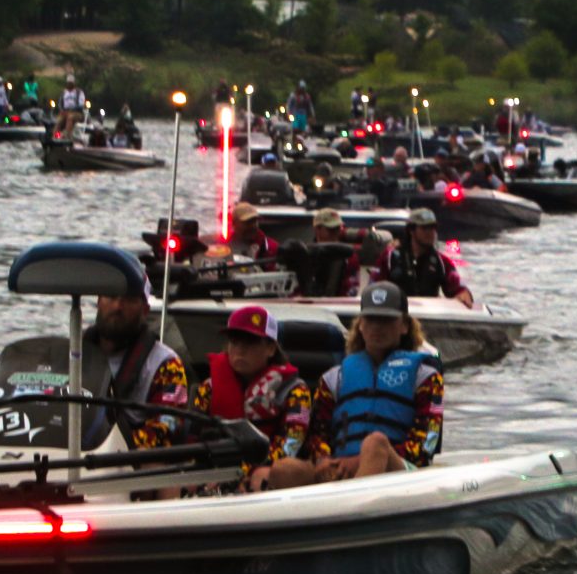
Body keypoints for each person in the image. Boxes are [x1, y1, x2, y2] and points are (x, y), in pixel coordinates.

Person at [263, 281, 442, 485]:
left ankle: (355, 507)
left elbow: (426, 444)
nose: (377, 327)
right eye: (371, 319)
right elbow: (317, 433)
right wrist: (324, 461)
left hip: (402, 472)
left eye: (386, 320)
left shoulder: (426, 377)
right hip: (341, 468)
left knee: (376, 444)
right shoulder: (333, 378)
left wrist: (360, 461)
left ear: (404, 326)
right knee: (284, 469)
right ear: (361, 324)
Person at [192, 304, 314, 480]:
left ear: (271, 348)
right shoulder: (208, 388)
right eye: (234, 342)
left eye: (250, 342)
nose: (240, 349)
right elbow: (191, 438)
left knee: (264, 477)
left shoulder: (295, 391)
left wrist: (245, 472)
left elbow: (291, 445)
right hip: (214, 472)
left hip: (268, 477)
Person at [79, 286, 190, 449]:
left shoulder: (166, 364)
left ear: (145, 310)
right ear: (99, 301)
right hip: (70, 450)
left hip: (126, 461)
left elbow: (169, 424)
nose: (117, 306)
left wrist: (115, 447)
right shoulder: (73, 353)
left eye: (129, 299)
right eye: (111, 296)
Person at [380, 208, 473, 305]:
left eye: (433, 228)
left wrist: (463, 293)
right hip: (397, 314)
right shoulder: (390, 257)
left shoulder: (441, 261)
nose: (430, 232)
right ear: (411, 230)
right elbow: (374, 288)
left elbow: (457, 287)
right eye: (425, 228)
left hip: (429, 315)